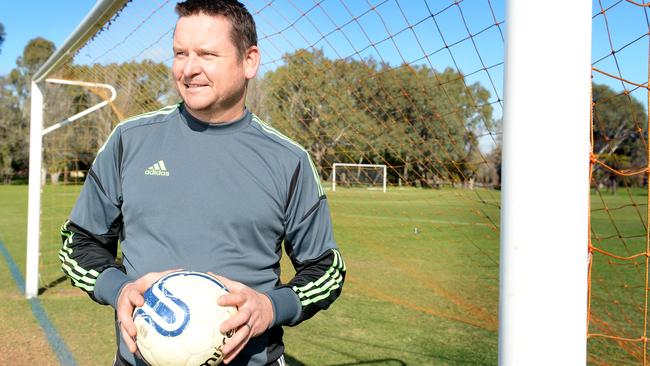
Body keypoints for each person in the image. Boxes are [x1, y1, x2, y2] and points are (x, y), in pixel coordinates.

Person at [59, 1, 346, 365]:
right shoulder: (129, 141)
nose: (189, 69)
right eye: (180, 53)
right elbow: (76, 243)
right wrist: (120, 289)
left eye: (207, 54)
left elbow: (327, 269)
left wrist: (271, 307)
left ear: (249, 61)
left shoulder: (289, 160)